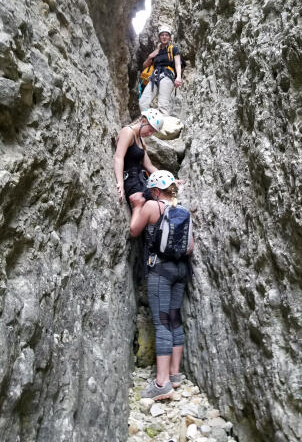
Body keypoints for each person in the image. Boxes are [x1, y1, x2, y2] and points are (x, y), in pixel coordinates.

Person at [129, 170, 194, 400]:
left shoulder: (151, 206)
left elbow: (134, 230)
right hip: (181, 270)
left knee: (162, 323)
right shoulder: (183, 211)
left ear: (156, 190)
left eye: (151, 190)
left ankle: (162, 383)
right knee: (175, 318)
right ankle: (175, 375)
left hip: (161, 271)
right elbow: (190, 247)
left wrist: (137, 206)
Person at [114, 108, 164, 204]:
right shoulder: (128, 132)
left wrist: (170, 180)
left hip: (140, 180)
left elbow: (149, 165)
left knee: (163, 195)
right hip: (131, 181)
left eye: (153, 132)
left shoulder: (141, 138)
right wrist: (120, 182)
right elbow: (118, 157)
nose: (149, 134)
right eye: (150, 130)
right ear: (143, 121)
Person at [139, 25, 182, 116]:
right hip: (155, 77)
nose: (164, 37)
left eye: (166, 35)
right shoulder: (156, 52)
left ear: (170, 37)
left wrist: (178, 77)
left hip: (167, 76)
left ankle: (163, 129)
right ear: (159, 37)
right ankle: (149, 124)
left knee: (163, 105)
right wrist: (150, 57)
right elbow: (144, 66)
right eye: (162, 35)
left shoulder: (173, 49)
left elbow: (178, 64)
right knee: (143, 102)